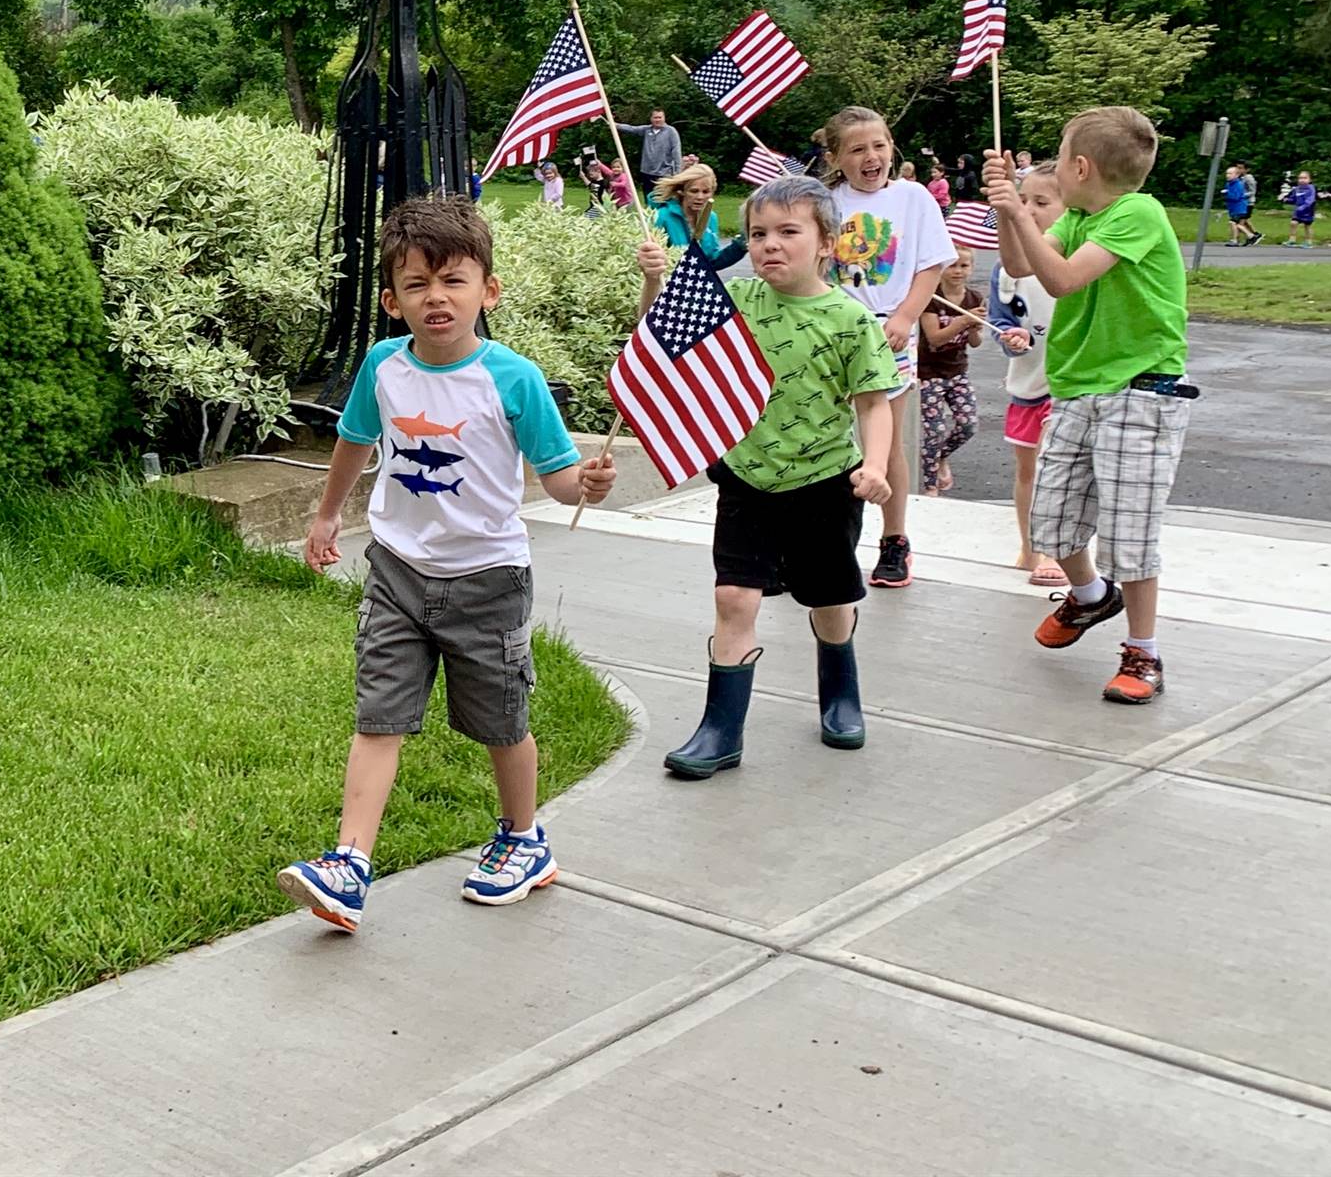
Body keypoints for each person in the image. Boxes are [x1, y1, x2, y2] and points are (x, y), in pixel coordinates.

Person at [275, 198, 618, 929]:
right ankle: (349, 862)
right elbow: (355, 440)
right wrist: (330, 511)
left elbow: (556, 480)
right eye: (418, 284)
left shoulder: (514, 378)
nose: (437, 297)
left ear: (487, 291)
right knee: (380, 715)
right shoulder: (382, 366)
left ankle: (524, 838)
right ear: (391, 301)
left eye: (454, 281)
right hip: (397, 568)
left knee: (500, 721)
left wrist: (583, 483)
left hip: (488, 576)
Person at [635, 174, 899, 779]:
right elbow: (662, 339)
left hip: (826, 482)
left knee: (830, 598)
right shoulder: (737, 302)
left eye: (788, 232)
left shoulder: (849, 319)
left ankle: (840, 692)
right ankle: (720, 730)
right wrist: (655, 280)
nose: (769, 245)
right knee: (733, 597)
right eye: (758, 234)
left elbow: (873, 402)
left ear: (827, 242)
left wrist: (876, 465)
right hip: (747, 479)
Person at [983, 106, 1192, 706]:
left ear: (1079, 166)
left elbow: (1064, 280)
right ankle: (1092, 596)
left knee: (1130, 531)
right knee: (1052, 521)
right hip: (1076, 390)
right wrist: (1007, 210)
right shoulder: (1076, 217)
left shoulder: (1137, 214)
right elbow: (1022, 265)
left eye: (1060, 152)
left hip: (1140, 392)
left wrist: (1020, 209)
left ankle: (1143, 652)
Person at [822, 106, 954, 590]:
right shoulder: (826, 201)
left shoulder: (912, 198)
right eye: (857, 149)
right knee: (828, 435)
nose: (871, 157)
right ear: (837, 157)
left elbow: (931, 265)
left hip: (889, 333)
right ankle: (823, 538)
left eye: (879, 145)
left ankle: (894, 539)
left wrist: (903, 317)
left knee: (886, 439)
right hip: (834, 332)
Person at [987, 160, 1066, 587]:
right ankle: (1029, 545)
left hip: (1067, 385)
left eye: (1042, 201)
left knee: (1058, 469)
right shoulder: (1007, 268)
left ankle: (1055, 551)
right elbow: (998, 320)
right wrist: (1008, 336)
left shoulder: (1077, 257)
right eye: (1024, 200)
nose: (1030, 209)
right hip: (1026, 384)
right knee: (1027, 471)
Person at [914, 246, 983, 495]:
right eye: (952, 265)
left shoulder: (974, 299)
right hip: (929, 373)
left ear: (971, 268)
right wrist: (963, 321)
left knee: (968, 425)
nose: (958, 271)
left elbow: (975, 342)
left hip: (958, 372)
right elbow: (935, 338)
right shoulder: (931, 298)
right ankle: (931, 486)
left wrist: (974, 327)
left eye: (964, 265)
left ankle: (941, 456)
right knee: (934, 430)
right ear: (942, 269)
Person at [648, 160, 746, 267]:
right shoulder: (662, 216)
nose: (700, 197)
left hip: (698, 281)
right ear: (682, 191)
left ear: (712, 193)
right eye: (694, 191)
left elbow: (712, 262)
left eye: (706, 192)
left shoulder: (711, 217)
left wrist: (739, 247)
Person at [617, 109, 682, 200]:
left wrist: (678, 172)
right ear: (651, 119)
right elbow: (632, 129)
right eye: (655, 117)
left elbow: (676, 151)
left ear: (664, 118)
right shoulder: (647, 130)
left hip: (664, 173)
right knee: (649, 198)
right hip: (646, 172)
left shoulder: (671, 131)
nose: (658, 120)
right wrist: (616, 125)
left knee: (662, 199)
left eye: (660, 117)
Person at [1222, 165, 1261, 246]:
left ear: (1236, 175)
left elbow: (1236, 197)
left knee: (1233, 223)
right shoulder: (1229, 184)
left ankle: (1250, 236)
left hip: (1240, 207)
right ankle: (1238, 239)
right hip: (1233, 208)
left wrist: (1227, 193)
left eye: (1230, 173)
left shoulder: (1238, 184)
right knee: (1236, 223)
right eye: (1227, 173)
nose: (1228, 175)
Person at [1279, 170, 1318, 248]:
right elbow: (1293, 199)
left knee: (1307, 226)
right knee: (1293, 223)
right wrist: (1286, 200)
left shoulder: (1311, 188)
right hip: (1298, 211)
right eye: (1300, 178)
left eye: (1305, 178)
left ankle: (1308, 241)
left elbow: (1311, 200)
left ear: (1309, 180)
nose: (1302, 180)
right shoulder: (1297, 189)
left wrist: (1303, 207)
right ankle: (1292, 240)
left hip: (1308, 210)